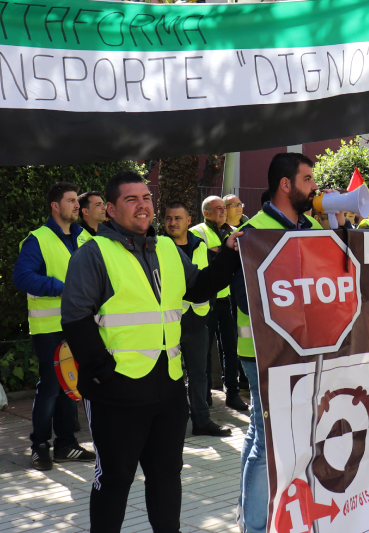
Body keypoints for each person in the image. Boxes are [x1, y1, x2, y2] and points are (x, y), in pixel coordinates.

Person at [61, 171, 239, 533]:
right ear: (110, 209)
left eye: (146, 197)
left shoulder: (167, 248)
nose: (143, 205)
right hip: (116, 392)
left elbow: (197, 289)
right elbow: (75, 319)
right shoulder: (93, 253)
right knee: (114, 481)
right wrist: (102, 373)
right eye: (131, 199)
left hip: (169, 388)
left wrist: (229, 258)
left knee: (166, 478)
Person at [226, 153, 325, 533]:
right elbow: (243, 299)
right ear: (286, 185)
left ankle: (250, 514)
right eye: (307, 179)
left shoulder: (311, 225)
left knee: (258, 434)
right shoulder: (255, 231)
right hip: (263, 354)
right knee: (267, 443)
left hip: (295, 352)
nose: (314, 186)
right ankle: (254, 526)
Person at [13, 182, 95, 471]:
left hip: (80, 324)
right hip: (48, 327)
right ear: (55, 206)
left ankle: (66, 445)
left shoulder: (85, 237)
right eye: (71, 200)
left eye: (77, 200)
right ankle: (40, 446)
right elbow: (23, 278)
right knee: (50, 388)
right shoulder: (37, 240)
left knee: (69, 386)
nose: (76, 205)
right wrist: (62, 287)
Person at [162, 201, 235, 435]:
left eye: (178, 218)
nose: (172, 223)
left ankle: (202, 422)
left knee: (199, 373)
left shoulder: (199, 245)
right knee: (169, 375)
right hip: (170, 321)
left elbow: (208, 278)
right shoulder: (158, 247)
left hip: (198, 319)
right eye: (169, 218)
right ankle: (169, 423)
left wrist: (210, 306)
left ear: (188, 221)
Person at [191, 196, 249, 411]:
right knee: (205, 350)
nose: (223, 211)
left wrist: (222, 252)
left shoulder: (229, 230)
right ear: (206, 213)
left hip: (227, 298)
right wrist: (224, 253)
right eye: (218, 209)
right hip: (208, 299)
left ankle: (232, 394)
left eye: (223, 208)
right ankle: (205, 397)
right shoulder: (198, 232)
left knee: (230, 347)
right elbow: (208, 259)